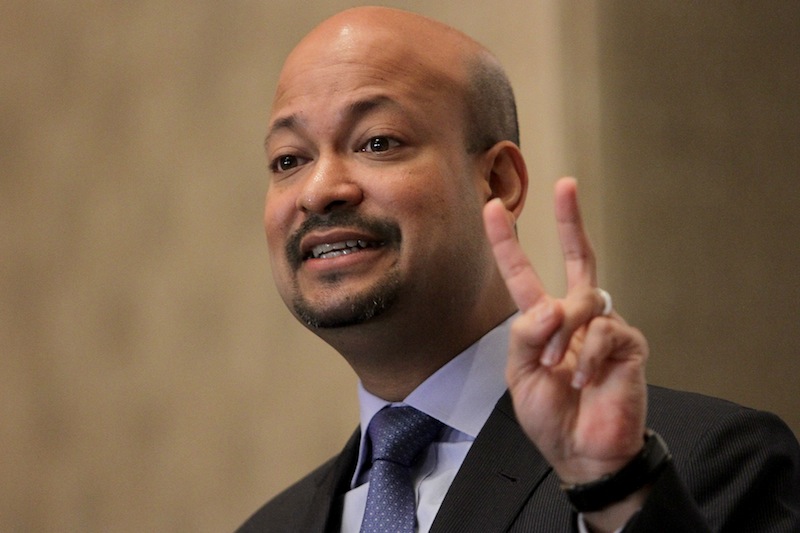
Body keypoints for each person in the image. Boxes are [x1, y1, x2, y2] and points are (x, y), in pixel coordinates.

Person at [239, 6, 800, 532]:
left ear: (499, 183)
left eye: (378, 142)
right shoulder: (269, 527)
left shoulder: (710, 464)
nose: (319, 191)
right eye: (290, 160)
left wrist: (615, 490)